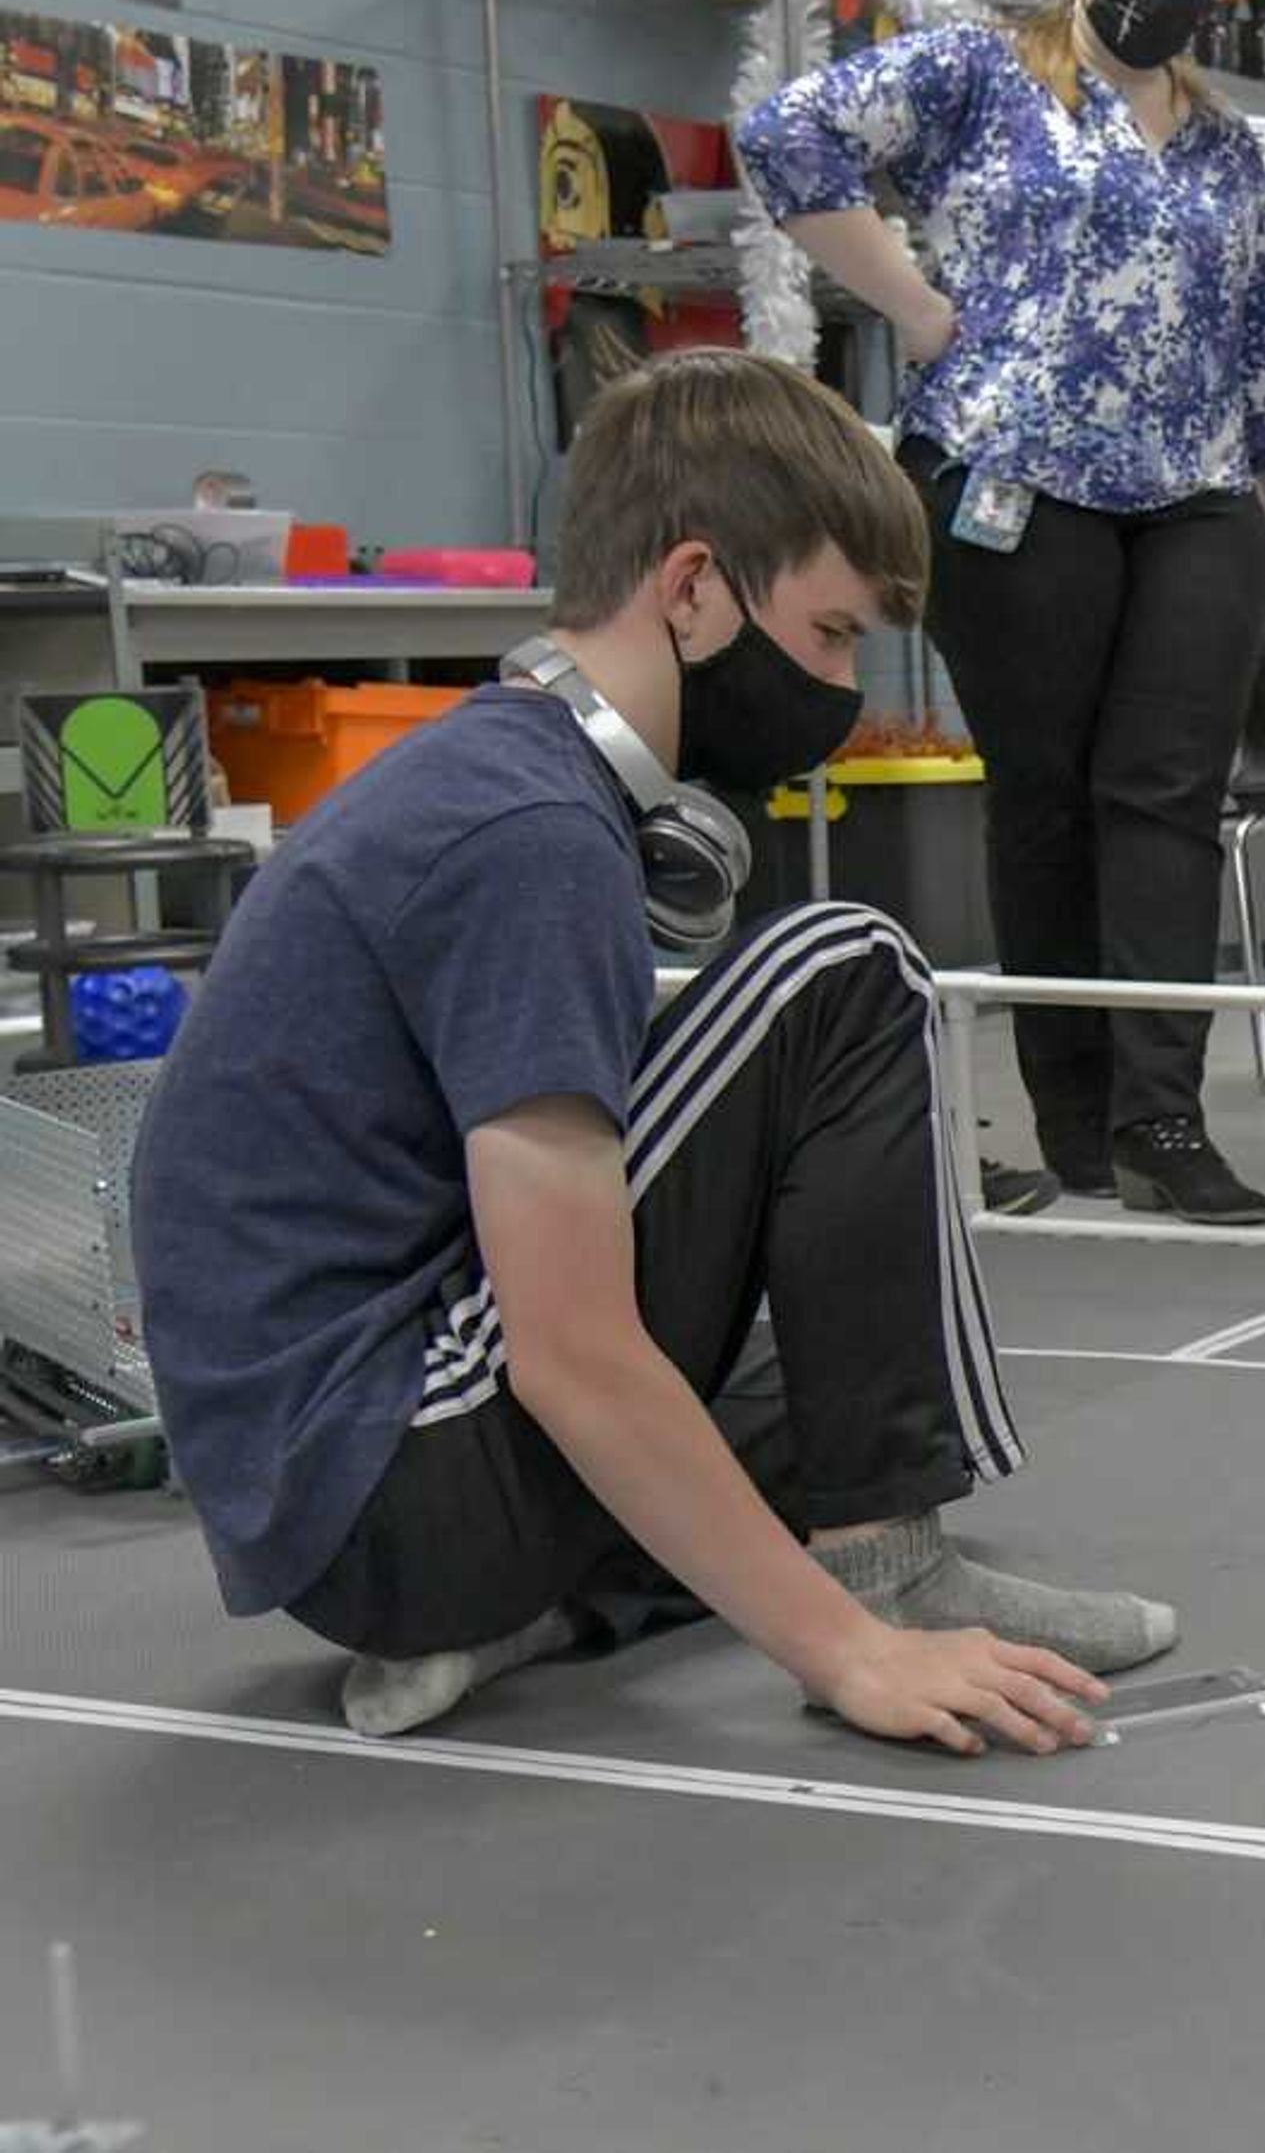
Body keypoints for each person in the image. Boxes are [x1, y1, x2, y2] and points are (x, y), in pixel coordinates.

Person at [135, 351, 1176, 1750]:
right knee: (844, 964)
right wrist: (849, 1649)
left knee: (829, 1369)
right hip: (387, 1482)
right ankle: (890, 1579)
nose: (842, 690)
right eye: (827, 636)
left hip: (354, 1506)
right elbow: (569, 1352)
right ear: (690, 589)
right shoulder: (529, 834)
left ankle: (529, 1614)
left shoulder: (509, 777)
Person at [738, 0, 1265, 1231]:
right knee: (1045, 795)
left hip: (1195, 499)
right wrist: (913, 306)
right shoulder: (977, 76)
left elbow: (1263, 348)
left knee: (1164, 793)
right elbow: (784, 134)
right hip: (1010, 480)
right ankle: (1076, 1122)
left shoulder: (1219, 144)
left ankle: (1163, 1120)